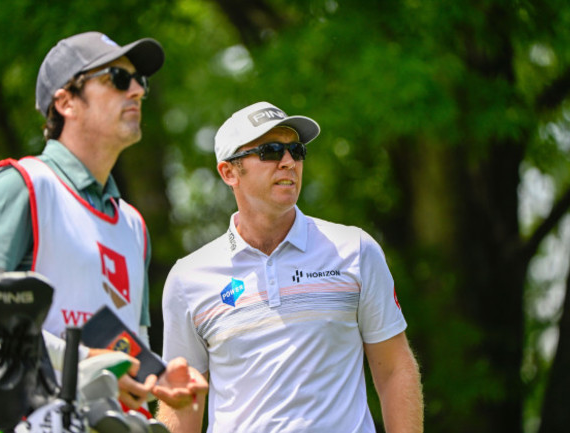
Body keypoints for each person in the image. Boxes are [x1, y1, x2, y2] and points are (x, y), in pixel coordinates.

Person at [0, 31, 206, 415]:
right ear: (65, 101)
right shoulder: (23, 185)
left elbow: (130, 352)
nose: (136, 92)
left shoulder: (133, 225)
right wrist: (80, 360)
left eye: (140, 81)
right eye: (117, 78)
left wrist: (157, 379)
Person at [157, 101, 424, 432]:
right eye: (270, 151)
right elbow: (181, 401)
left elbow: (396, 369)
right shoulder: (188, 278)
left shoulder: (355, 250)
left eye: (296, 151)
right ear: (229, 172)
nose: (288, 162)